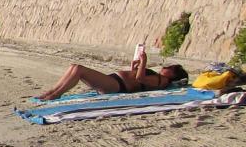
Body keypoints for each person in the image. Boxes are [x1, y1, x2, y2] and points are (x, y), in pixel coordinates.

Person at [37, 47, 187, 100]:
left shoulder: (163, 82)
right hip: (115, 81)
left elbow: (140, 79)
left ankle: (56, 94)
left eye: (169, 67)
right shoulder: (158, 77)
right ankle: (52, 91)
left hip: (116, 85)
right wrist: (135, 65)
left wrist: (144, 61)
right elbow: (136, 76)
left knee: (78, 69)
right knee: (74, 67)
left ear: (172, 74)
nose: (165, 67)